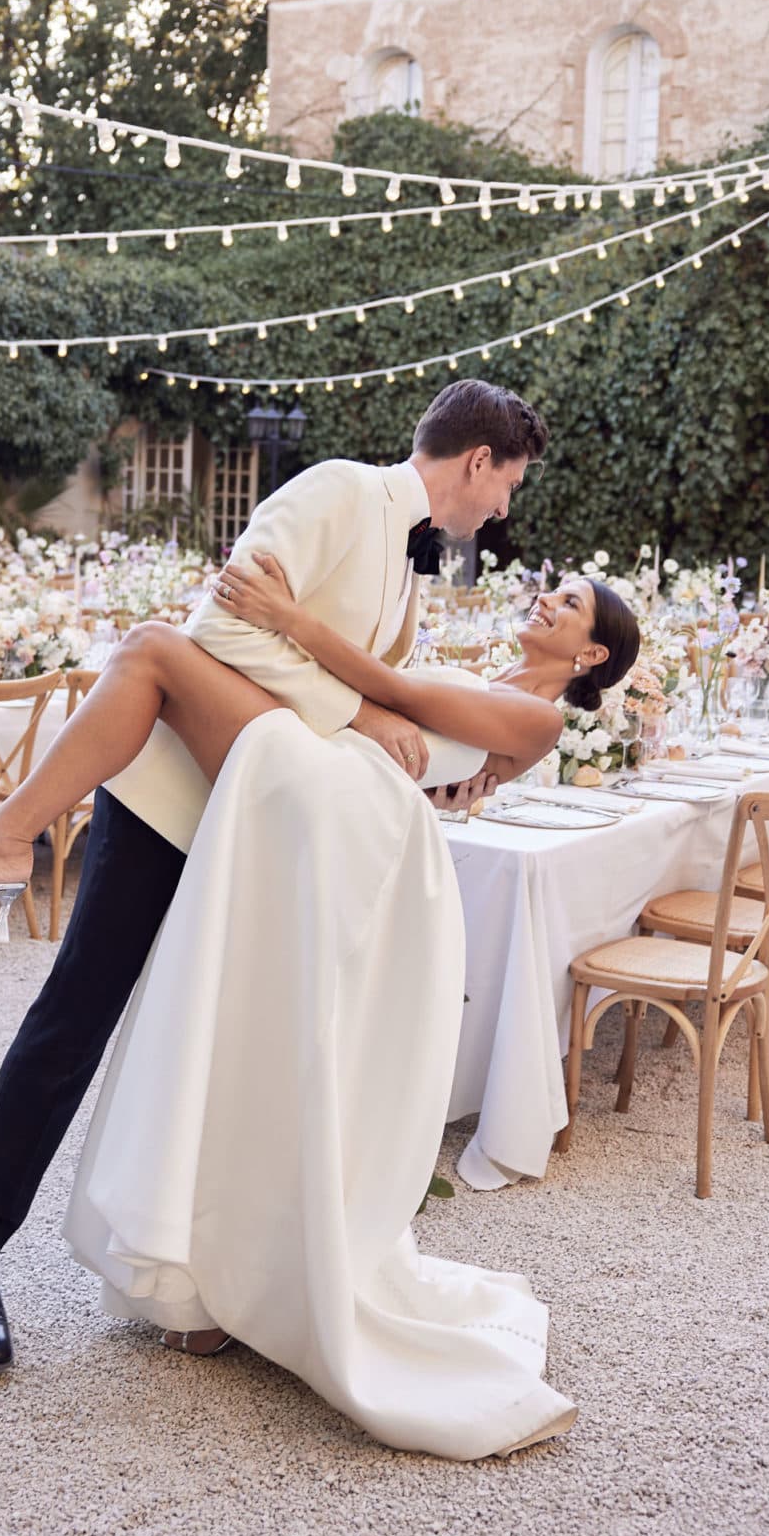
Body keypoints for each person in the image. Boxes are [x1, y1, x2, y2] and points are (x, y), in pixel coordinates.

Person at [0, 381, 549, 1374]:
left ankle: (200, 1280)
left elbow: (361, 678)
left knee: (225, 1054)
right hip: (174, 806)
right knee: (75, 1023)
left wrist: (434, 763)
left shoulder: (414, 566)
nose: (502, 511)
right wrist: (360, 719)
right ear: (477, 460)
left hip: (266, 831)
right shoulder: (335, 490)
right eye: (508, 486)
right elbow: (221, 631)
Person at [59, 557, 639, 1456]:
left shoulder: (539, 716)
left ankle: (12, 834)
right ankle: (212, 1272)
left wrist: (282, 614)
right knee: (250, 1023)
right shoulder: (488, 680)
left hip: (356, 816)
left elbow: (386, 688)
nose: (548, 600)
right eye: (553, 590)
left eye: (570, 605)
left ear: (593, 655)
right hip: (345, 800)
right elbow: (394, 691)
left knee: (162, 658)